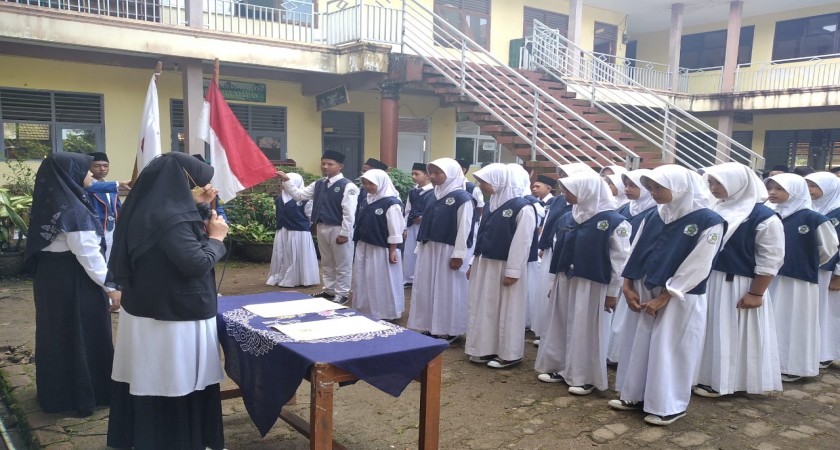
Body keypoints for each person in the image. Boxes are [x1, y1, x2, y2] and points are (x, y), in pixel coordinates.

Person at [106, 152, 228, 450]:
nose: (203, 189)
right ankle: (177, 441)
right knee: (173, 379)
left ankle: (146, 437)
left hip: (146, 306)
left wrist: (198, 206)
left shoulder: (145, 207)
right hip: (173, 316)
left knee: (150, 377)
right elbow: (196, 264)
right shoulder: (171, 219)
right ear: (181, 183)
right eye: (197, 184)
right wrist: (217, 239)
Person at [611, 165, 725, 426]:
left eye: (659, 187)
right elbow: (635, 249)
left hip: (679, 295)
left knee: (671, 347)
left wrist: (667, 295)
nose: (653, 192)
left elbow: (699, 264)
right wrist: (627, 285)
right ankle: (636, 395)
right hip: (645, 288)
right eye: (650, 187)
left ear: (680, 187)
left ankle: (669, 404)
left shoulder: (708, 221)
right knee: (640, 343)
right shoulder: (656, 214)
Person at [26, 152, 121, 416]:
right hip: (75, 282)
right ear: (71, 174)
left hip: (50, 281)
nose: (90, 173)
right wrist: (111, 288)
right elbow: (89, 256)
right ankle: (86, 395)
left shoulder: (52, 202)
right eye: (85, 169)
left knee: (56, 336)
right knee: (83, 335)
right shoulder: (74, 210)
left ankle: (57, 394)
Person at [535, 172, 631, 395]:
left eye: (569, 190)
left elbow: (620, 259)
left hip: (592, 283)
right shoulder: (567, 218)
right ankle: (559, 366)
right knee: (562, 322)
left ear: (587, 191)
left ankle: (584, 376)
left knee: (586, 328)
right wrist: (553, 282)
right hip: (566, 279)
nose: (564, 194)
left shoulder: (614, 221)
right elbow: (558, 250)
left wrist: (612, 292)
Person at [693, 162, 784, 398]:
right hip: (709, 279)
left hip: (737, 284)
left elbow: (771, 258)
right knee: (708, 330)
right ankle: (701, 375)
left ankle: (725, 381)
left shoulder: (763, 216)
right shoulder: (714, 208)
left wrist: (756, 292)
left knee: (730, 332)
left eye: (719, 183)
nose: (713, 188)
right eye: (710, 182)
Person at [764, 173, 837, 382]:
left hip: (799, 280)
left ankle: (793, 365)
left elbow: (829, 249)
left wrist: (804, 260)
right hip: (773, 277)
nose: (773, 193)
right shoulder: (772, 214)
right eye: (770, 188)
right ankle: (772, 362)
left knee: (796, 321)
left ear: (795, 191)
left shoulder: (813, 218)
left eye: (780, 189)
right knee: (775, 319)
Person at [466, 163, 537, 369]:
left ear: (499, 181)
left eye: (484, 182)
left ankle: (509, 353)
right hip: (485, 263)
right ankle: (485, 347)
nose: (481, 186)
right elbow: (481, 234)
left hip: (506, 265)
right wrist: (472, 262)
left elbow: (522, 242)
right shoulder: (491, 204)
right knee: (485, 307)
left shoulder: (523, 207)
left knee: (508, 309)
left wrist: (513, 271)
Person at [278, 150, 359, 304]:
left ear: (340, 166)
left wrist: (345, 233)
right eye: (323, 163)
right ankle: (329, 290)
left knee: (343, 263)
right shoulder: (319, 184)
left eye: (330, 164)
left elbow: (349, 212)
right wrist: (287, 180)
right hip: (322, 226)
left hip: (338, 228)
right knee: (327, 261)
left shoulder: (348, 186)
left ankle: (342, 293)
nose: (325, 166)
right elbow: (299, 195)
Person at [407, 158, 474, 343]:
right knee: (429, 288)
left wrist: (458, 255)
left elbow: (464, 228)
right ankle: (432, 326)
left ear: (451, 173)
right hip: (430, 248)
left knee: (447, 290)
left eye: (438, 173)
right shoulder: (431, 195)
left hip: (448, 249)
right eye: (432, 172)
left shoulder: (462, 197)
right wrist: (420, 246)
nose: (433, 176)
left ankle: (450, 329)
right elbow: (426, 223)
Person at [606, 169, 656, 365]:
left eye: (633, 185)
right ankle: (613, 351)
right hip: (621, 265)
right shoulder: (625, 209)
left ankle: (622, 354)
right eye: (625, 185)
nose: (627, 189)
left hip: (639, 267)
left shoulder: (654, 212)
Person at [352, 169, 405, 320]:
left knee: (382, 280)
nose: (368, 186)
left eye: (371, 183)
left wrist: (392, 250)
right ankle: (366, 308)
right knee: (366, 277)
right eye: (365, 183)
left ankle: (386, 311)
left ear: (381, 183)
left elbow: (395, 230)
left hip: (382, 248)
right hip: (365, 245)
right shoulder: (366, 201)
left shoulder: (391, 203)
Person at [805, 172, 840, 369]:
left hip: (830, 272)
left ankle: (826, 353)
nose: (809, 190)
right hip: (809, 269)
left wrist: (838, 275)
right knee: (812, 312)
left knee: (828, 313)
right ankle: (811, 351)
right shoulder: (808, 207)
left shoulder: (838, 210)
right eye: (807, 185)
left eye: (814, 186)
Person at [266, 172, 320, 288]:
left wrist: (301, 224)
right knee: (282, 254)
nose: (282, 184)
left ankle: (301, 278)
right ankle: (280, 276)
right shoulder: (279, 198)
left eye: (285, 181)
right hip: (282, 231)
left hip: (299, 231)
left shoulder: (305, 199)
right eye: (282, 182)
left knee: (297, 255)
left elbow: (310, 216)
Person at [86, 152, 129, 261]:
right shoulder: (85, 185)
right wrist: (119, 183)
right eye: (97, 166)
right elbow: (93, 187)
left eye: (106, 166)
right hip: (95, 230)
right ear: (88, 168)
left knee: (111, 259)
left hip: (112, 229)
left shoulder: (110, 186)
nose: (102, 169)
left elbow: (117, 208)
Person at [403, 162, 434, 288]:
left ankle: (422, 278)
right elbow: (407, 210)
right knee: (410, 252)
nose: (413, 177)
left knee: (422, 251)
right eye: (412, 174)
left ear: (427, 175)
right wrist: (405, 228)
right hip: (412, 226)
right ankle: (409, 278)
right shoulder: (413, 191)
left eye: (417, 174)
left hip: (424, 226)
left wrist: (423, 218)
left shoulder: (433, 191)